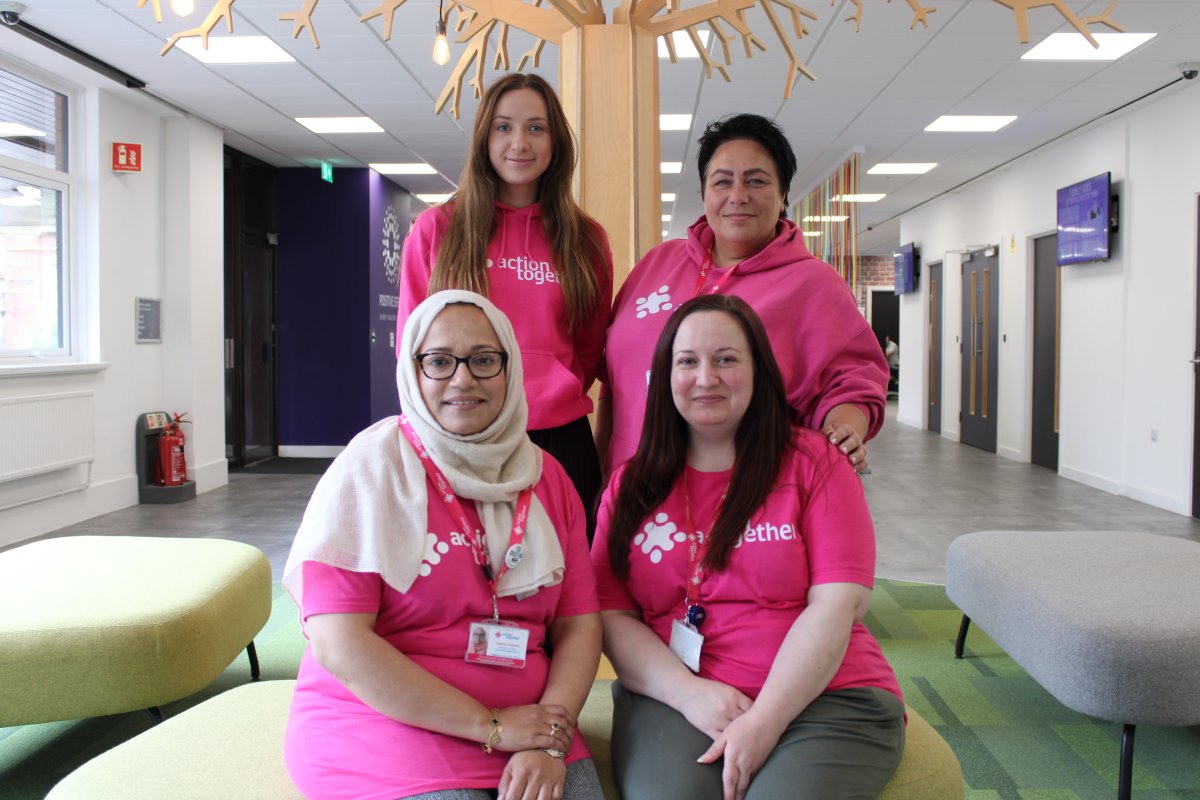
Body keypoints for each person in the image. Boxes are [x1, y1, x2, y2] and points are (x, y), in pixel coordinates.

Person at [286, 290, 604, 800]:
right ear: (413, 371)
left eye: (483, 359)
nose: (463, 378)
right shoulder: (370, 470)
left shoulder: (548, 480)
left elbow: (580, 624)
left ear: (510, 368)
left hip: (528, 726)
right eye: (439, 361)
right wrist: (491, 725)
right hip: (387, 723)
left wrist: (548, 737)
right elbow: (338, 641)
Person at [592, 294, 905, 800]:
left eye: (727, 359)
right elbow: (610, 615)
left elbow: (839, 603)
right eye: (687, 361)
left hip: (826, 696)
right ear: (665, 376)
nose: (706, 378)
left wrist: (764, 722)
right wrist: (691, 696)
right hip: (679, 695)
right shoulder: (633, 485)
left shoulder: (814, 464)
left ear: (759, 371)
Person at [597, 114, 887, 476]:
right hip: (632, 489)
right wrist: (599, 477)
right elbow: (613, 379)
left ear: (782, 196)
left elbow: (852, 380)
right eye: (722, 181)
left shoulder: (813, 283)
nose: (738, 196)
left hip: (748, 494)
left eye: (756, 181)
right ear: (704, 193)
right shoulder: (658, 263)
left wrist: (843, 431)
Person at [398, 73, 613, 539]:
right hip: (463, 435)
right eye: (503, 127)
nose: (520, 142)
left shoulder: (586, 239)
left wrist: (547, 385)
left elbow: (593, 347)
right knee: (472, 582)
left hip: (560, 436)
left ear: (556, 140)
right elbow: (411, 349)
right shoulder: (438, 229)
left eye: (536, 127)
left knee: (572, 578)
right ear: (483, 138)